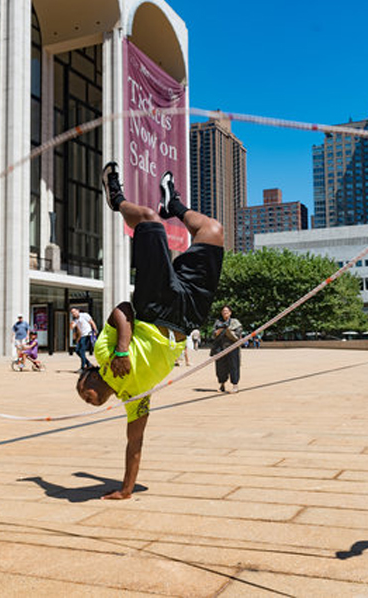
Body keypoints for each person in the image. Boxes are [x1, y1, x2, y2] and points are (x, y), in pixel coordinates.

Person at [76, 163, 224, 500]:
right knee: (213, 230)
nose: (84, 396)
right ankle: (176, 205)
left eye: (82, 390)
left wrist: (122, 348)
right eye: (84, 397)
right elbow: (135, 442)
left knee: (147, 219)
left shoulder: (102, 355)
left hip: (155, 306)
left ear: (90, 376)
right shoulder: (134, 401)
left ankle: (116, 200)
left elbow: (122, 311)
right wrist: (126, 489)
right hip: (187, 318)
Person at [211, 305, 243, 393]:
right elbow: (213, 334)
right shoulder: (218, 322)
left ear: (230, 312)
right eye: (223, 311)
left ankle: (235, 385)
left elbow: (238, 334)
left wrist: (229, 331)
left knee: (234, 366)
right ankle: (222, 385)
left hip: (232, 347)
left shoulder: (235, 322)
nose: (225, 313)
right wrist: (218, 331)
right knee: (220, 367)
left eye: (227, 311)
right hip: (220, 348)